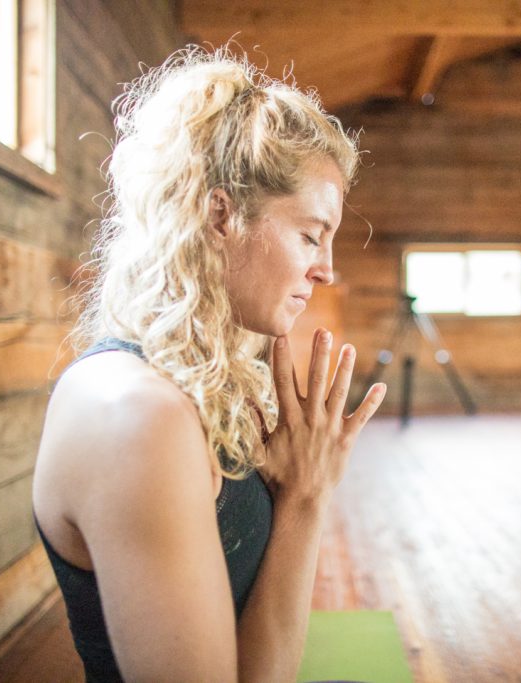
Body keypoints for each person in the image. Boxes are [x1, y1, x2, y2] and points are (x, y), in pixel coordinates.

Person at [32, 45, 387, 682]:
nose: (326, 269)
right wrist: (306, 499)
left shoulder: (196, 384)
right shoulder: (138, 415)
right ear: (220, 214)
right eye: (310, 234)